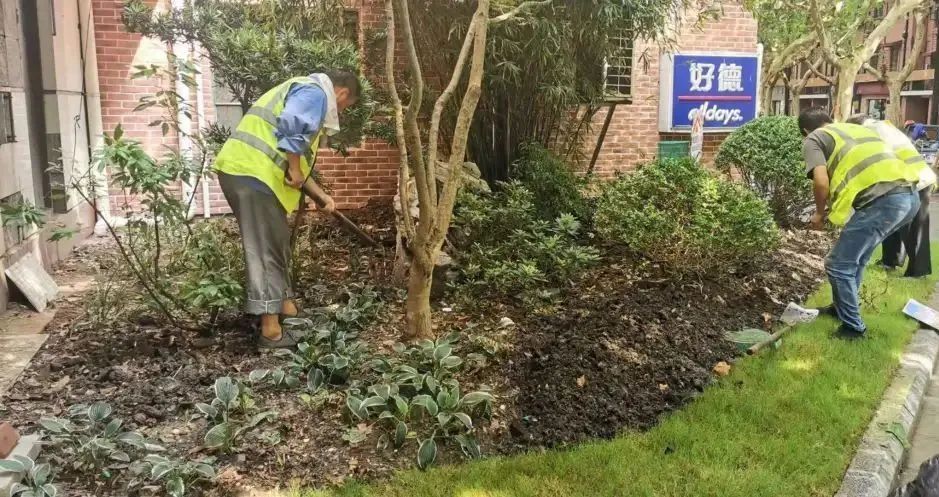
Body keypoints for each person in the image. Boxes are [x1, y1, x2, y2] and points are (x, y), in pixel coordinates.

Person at [213, 70, 360, 348]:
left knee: (277, 244)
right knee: (266, 250)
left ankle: (287, 310)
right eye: (345, 106)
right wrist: (294, 169)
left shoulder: (303, 91)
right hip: (252, 174)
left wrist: (322, 196)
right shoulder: (315, 92)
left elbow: (297, 166)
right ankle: (271, 331)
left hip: (254, 175)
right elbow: (292, 129)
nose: (341, 112)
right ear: (342, 94)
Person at [800, 108, 921, 340]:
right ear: (830, 120)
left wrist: (818, 213)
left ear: (805, 131)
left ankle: (853, 329)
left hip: (884, 202)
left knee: (838, 264)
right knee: (857, 259)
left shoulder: (813, 138)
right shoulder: (854, 129)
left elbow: (821, 181)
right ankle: (841, 309)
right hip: (910, 197)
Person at [845, 114, 936, 277]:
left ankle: (918, 271)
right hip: (903, 180)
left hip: (916, 179)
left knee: (914, 228)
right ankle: (890, 260)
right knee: (892, 221)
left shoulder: (870, 131)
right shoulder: (881, 127)